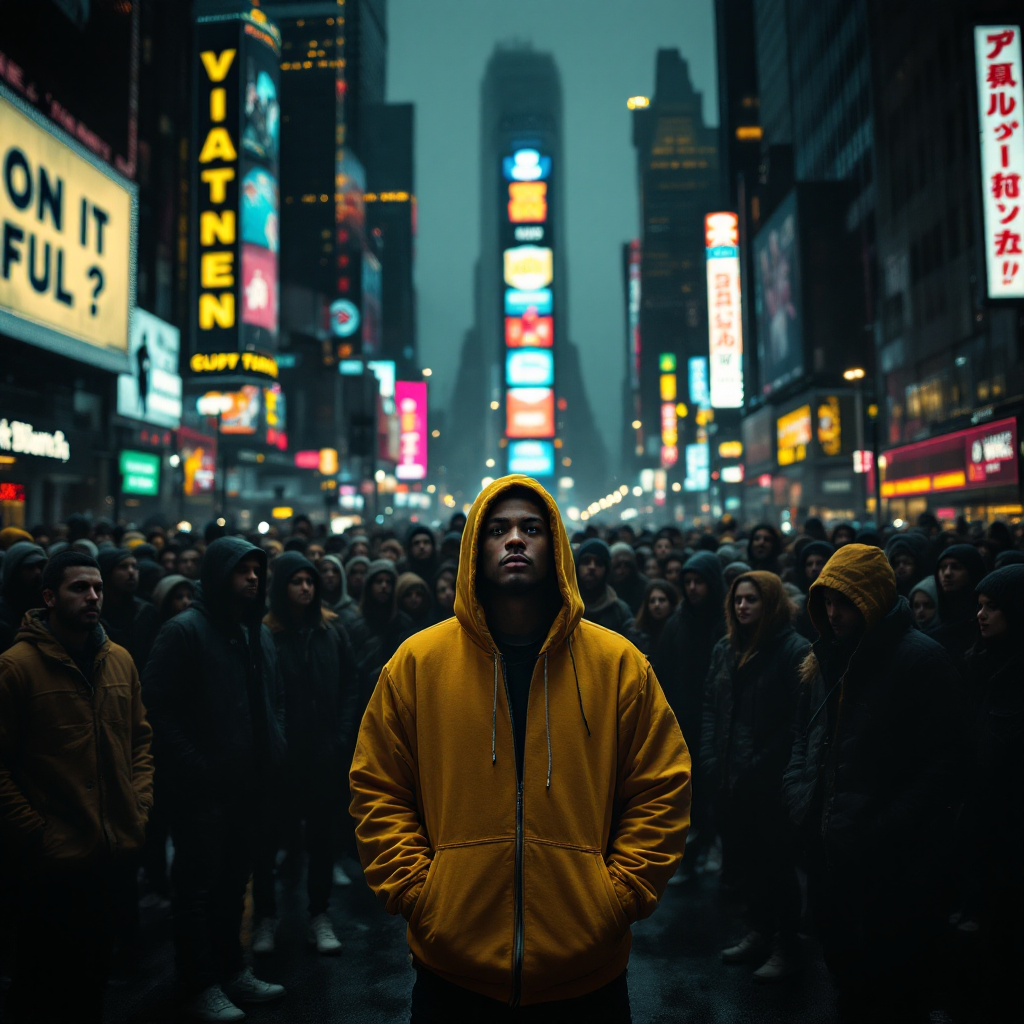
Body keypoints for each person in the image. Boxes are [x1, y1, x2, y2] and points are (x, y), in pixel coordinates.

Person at [350, 477, 691, 1021]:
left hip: (585, 975)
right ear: (473, 550)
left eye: (531, 529)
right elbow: (378, 785)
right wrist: (420, 892)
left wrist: (617, 896)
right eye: (498, 530)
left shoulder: (617, 664)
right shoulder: (418, 663)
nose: (515, 540)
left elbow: (661, 786)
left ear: (554, 546)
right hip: (451, 972)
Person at [783, 544, 961, 1021]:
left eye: (844, 601)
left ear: (871, 598)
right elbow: (805, 735)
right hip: (830, 847)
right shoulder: (827, 655)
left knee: (893, 983)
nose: (834, 613)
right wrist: (798, 794)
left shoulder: (921, 660)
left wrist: (883, 826)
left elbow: (943, 763)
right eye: (827, 602)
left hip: (893, 858)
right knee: (843, 967)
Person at [0, 551, 153, 1023]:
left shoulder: (119, 661)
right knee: (42, 986)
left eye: (98, 589)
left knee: (92, 982)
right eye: (78, 588)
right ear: (48, 597)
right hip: (49, 861)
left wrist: (139, 805)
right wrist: (37, 833)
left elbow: (140, 741)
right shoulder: (17, 667)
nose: (92, 597)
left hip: (108, 852)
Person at [143, 537, 286, 1022]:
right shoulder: (184, 631)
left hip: (250, 785)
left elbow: (272, 700)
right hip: (203, 790)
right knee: (197, 889)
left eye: (256, 570)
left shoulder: (255, 632)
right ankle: (198, 981)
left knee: (232, 884)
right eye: (241, 569)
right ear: (217, 573)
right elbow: (157, 710)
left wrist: (275, 749)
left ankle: (230, 970)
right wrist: (199, 769)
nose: (252, 577)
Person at [703, 572, 808, 981]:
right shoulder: (726, 649)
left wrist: (758, 765)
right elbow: (712, 705)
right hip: (731, 777)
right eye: (738, 600)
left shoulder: (792, 651)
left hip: (769, 780)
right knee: (746, 861)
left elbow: (794, 724)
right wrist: (712, 759)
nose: (743, 606)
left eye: (752, 600)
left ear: (772, 603)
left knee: (776, 863)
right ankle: (759, 931)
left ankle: (786, 942)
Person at [253, 553, 357, 958]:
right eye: (296, 581)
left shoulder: (331, 630)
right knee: (267, 842)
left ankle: (318, 915)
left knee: (321, 840)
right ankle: (265, 916)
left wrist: (340, 737)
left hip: (323, 756)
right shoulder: (264, 632)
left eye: (310, 581)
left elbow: (350, 685)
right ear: (281, 586)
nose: (306, 588)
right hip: (279, 759)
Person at [957, 565, 1023, 1021]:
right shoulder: (978, 664)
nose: (981, 615)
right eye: (979, 605)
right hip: (983, 818)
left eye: (993, 606)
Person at [347, 560, 414, 709]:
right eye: (379, 581)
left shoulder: (404, 623)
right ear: (369, 585)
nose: (384, 586)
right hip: (363, 698)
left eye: (388, 582)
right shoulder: (356, 626)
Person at [98, 547, 161, 673]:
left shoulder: (147, 612)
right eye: (123, 567)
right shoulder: (94, 612)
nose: (131, 572)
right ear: (107, 572)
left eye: (135, 566)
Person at [928, 543, 988, 669]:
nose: (947, 573)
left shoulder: (984, 623)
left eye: (956, 567)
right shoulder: (935, 627)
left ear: (972, 571)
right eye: (943, 567)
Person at [575, 538, 634, 635]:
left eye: (598, 563)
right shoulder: (563, 604)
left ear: (606, 570)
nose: (592, 567)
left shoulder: (619, 611)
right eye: (586, 561)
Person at [0, 540, 46, 654]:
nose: (37, 573)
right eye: (29, 567)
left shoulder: (48, 605)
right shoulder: (3, 613)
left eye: (40, 566)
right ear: (14, 571)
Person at [793, 541, 834, 640]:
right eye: (809, 564)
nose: (814, 568)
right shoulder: (801, 604)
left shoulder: (837, 597)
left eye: (819, 563)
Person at [627, 579, 679, 656]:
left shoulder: (678, 630)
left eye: (662, 600)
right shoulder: (636, 633)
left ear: (671, 603)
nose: (656, 605)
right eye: (652, 601)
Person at [885, 530, 932, 597]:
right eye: (896, 563)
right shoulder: (889, 592)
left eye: (907, 563)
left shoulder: (927, 592)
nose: (901, 567)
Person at [320, 554, 361, 627]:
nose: (330, 575)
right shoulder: (312, 610)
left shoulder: (354, 611)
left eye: (335, 571)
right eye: (324, 571)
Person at [609, 541, 648, 614]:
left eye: (626, 565)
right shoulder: (604, 585)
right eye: (618, 566)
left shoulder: (644, 586)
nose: (622, 570)